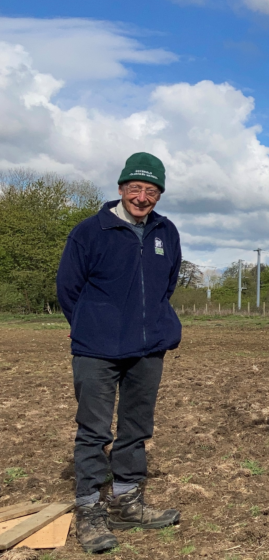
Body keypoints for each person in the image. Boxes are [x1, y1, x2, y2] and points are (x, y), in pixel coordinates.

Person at [56, 152, 183, 554]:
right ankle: (90, 509)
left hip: (148, 349)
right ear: (120, 188)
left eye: (151, 191)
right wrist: (93, 325)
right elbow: (68, 289)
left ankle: (127, 501)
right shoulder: (89, 231)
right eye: (135, 188)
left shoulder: (167, 233)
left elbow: (167, 284)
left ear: (159, 195)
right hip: (97, 349)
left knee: (136, 426)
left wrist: (153, 322)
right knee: (93, 431)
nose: (142, 198)